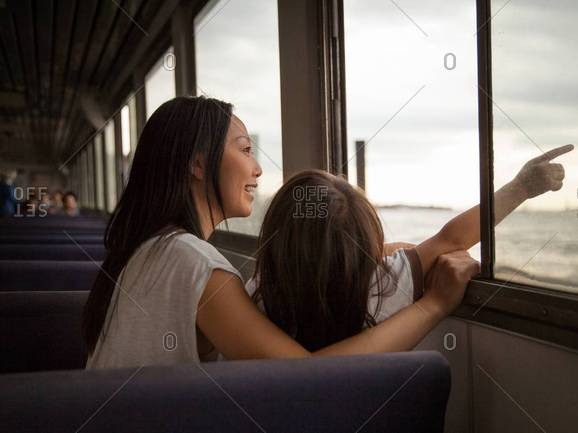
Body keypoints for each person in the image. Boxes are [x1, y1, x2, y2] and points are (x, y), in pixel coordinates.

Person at [83, 96, 479, 369]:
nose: (256, 169)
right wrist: (434, 306)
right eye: (244, 149)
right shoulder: (197, 266)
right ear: (198, 165)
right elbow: (307, 376)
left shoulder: (156, 248)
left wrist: (363, 250)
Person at [247, 144, 572, 351]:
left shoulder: (257, 295)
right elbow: (452, 239)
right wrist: (520, 188)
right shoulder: (386, 281)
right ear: (368, 247)